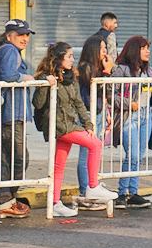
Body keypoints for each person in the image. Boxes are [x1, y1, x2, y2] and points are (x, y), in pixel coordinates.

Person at [33, 42, 118, 217]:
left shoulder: (71, 76)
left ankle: (55, 203)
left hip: (69, 123)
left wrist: (88, 125)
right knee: (95, 145)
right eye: (69, 56)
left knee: (59, 165)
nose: (73, 60)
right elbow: (38, 103)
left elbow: (79, 103)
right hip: (59, 125)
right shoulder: (46, 76)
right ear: (59, 58)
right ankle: (92, 186)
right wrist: (45, 83)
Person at [0, 19, 35, 218]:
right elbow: (8, 75)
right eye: (20, 35)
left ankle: (7, 200)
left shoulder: (7, 50)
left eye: (27, 35)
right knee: (16, 158)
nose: (25, 39)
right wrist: (27, 77)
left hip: (10, 113)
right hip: (9, 114)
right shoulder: (9, 50)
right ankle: (4, 200)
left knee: (9, 157)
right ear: (9, 36)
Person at [110, 36, 152, 208]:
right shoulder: (121, 70)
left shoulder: (149, 71)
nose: (148, 51)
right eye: (144, 48)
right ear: (135, 50)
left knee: (139, 155)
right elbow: (110, 95)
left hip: (146, 116)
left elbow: (150, 92)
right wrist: (130, 104)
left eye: (148, 48)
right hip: (129, 116)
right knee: (133, 154)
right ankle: (122, 193)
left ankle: (133, 192)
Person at [74, 35, 114, 209]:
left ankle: (92, 187)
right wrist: (107, 71)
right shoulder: (86, 67)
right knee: (86, 154)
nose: (105, 51)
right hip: (87, 114)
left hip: (98, 112)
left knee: (94, 152)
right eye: (102, 48)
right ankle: (85, 192)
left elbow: (107, 92)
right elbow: (95, 88)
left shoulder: (97, 67)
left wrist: (106, 112)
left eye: (105, 48)